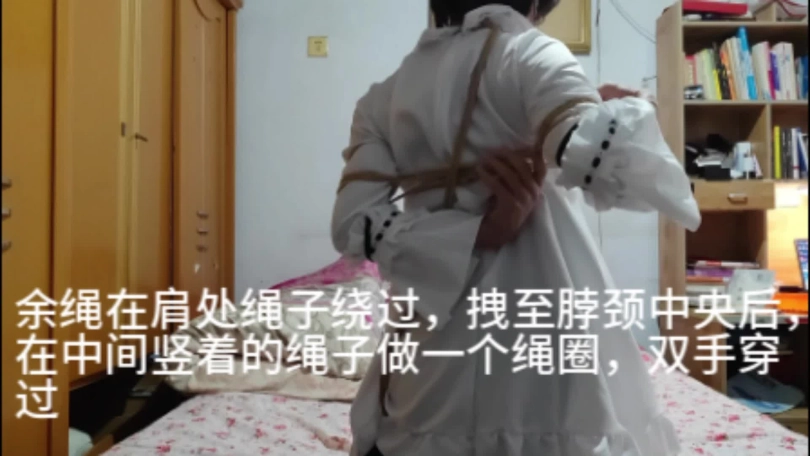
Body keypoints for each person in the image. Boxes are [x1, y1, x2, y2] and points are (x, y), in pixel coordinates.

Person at [331, 2, 700, 455]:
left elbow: (352, 223)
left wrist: (466, 235)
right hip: (535, 329)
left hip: (431, 346)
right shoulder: (531, 55)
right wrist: (636, 105)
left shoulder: (383, 98)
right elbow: (626, 173)